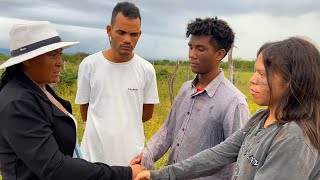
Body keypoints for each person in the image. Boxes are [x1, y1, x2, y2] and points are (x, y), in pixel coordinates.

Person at [134, 37, 320, 180]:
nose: (252, 79)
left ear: (291, 82)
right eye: (255, 71)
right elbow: (219, 154)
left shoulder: (293, 138)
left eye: (262, 74)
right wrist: (161, 175)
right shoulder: (261, 119)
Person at [0, 21, 145, 180]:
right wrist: (126, 173)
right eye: (53, 55)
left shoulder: (39, 88)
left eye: (60, 54)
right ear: (27, 60)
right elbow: (55, 168)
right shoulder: (18, 103)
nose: (60, 63)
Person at [140, 17, 249, 180]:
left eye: (201, 49)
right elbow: (168, 131)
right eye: (190, 47)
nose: (192, 54)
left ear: (220, 54)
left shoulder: (234, 102)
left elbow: (240, 157)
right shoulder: (186, 89)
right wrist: (145, 157)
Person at [75, 1, 159, 166]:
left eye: (134, 34)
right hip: (93, 159)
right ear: (109, 31)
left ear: (139, 35)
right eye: (121, 32)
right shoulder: (89, 64)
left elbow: (147, 113)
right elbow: (84, 107)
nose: (128, 39)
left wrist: (124, 123)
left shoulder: (146, 69)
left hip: (130, 161)